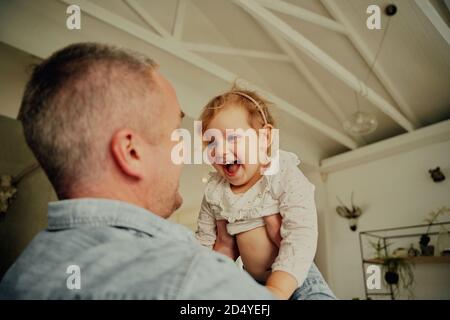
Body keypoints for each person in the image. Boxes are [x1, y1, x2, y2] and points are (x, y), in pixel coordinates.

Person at [0, 43, 334, 300]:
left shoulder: (20, 278)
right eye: (176, 134)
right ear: (131, 152)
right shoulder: (189, 280)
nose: (185, 152)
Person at [195, 88, 330, 299]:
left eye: (232, 138)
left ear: (264, 137)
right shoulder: (215, 191)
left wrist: (277, 289)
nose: (220, 150)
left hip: (296, 278)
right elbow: (205, 243)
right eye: (211, 141)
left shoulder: (280, 173)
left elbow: (301, 234)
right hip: (250, 282)